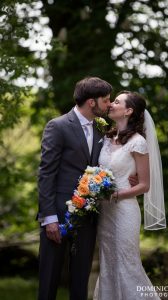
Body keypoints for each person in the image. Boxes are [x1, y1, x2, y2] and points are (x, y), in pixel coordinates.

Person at [37, 76, 113, 300]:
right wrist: (48, 217)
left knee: (81, 280)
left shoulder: (101, 128)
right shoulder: (58, 126)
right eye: (106, 100)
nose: (109, 104)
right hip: (57, 215)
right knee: (49, 279)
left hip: (88, 217)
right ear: (92, 102)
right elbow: (46, 173)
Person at [94, 91, 166, 300]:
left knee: (127, 264)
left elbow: (144, 185)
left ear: (128, 111)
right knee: (108, 264)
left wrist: (116, 194)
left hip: (124, 211)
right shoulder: (107, 137)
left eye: (117, 102)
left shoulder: (138, 142)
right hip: (105, 213)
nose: (111, 105)